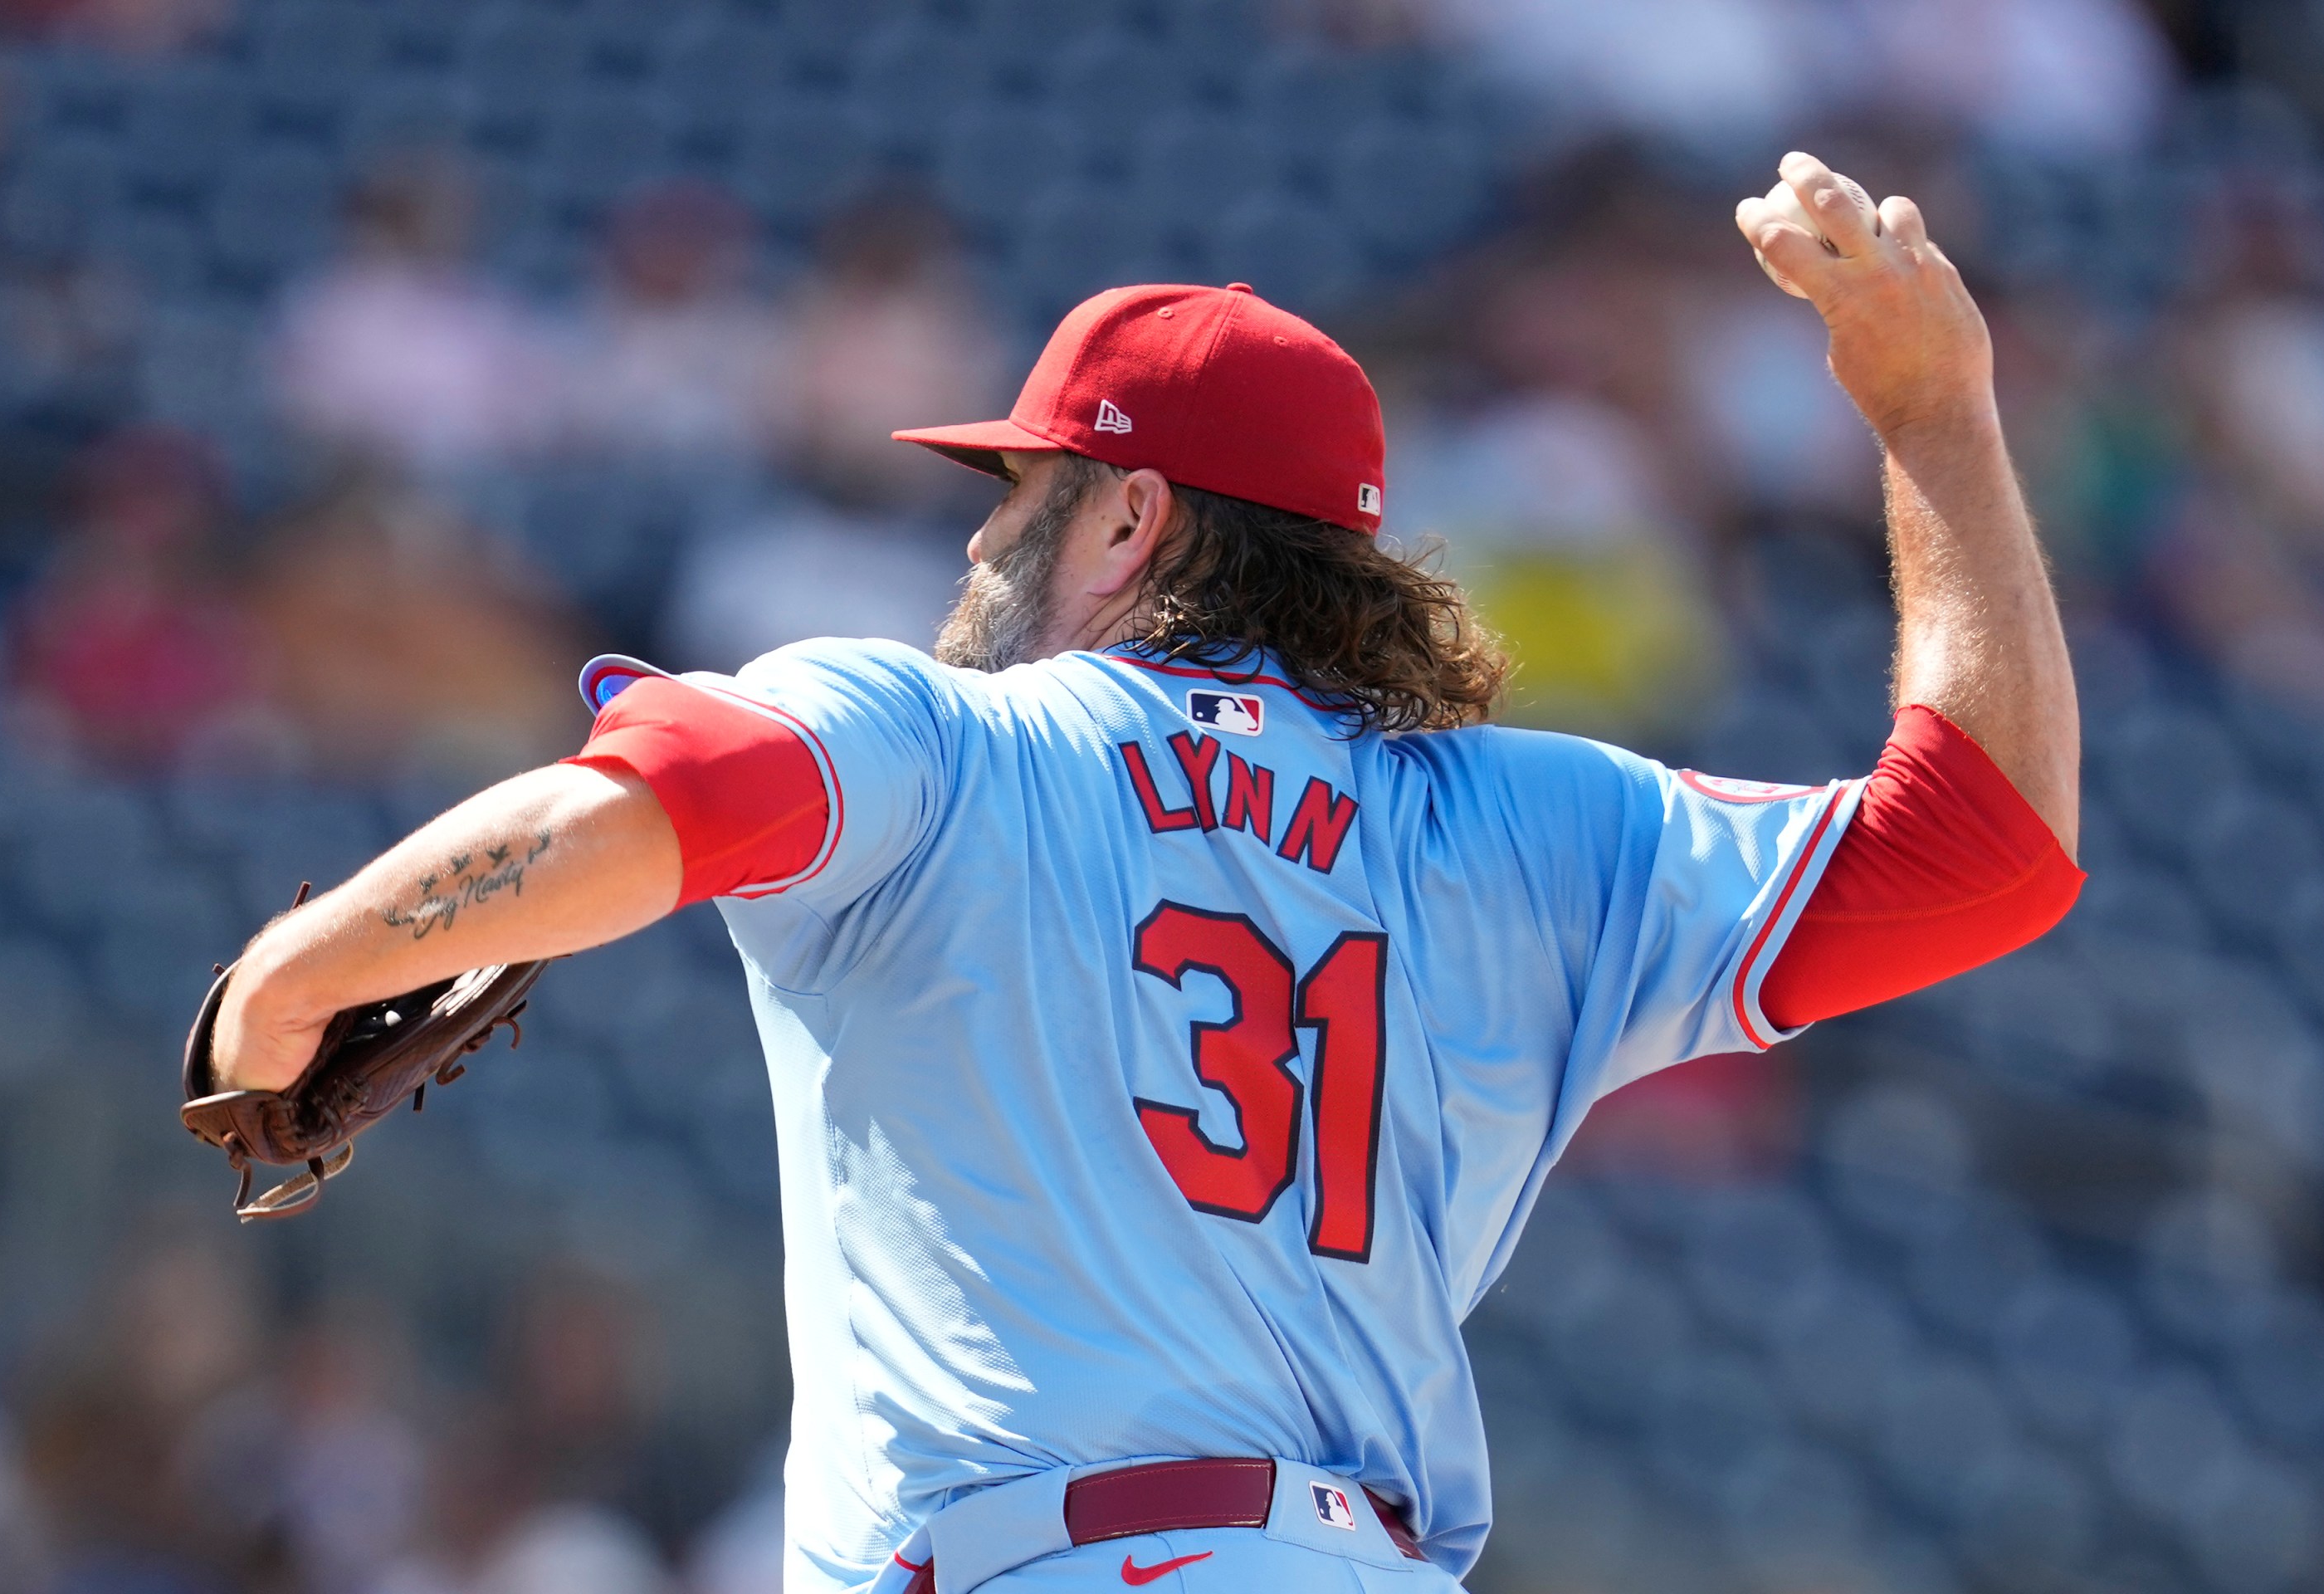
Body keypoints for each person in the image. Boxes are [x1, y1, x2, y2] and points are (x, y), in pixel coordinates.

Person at [204, 155, 2083, 1593]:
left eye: (1016, 495)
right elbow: (1984, 854)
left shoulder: (943, 736)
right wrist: (1937, 422)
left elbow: (644, 804)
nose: (985, 545)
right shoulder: (1540, 820)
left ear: (1127, 513)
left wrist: (289, 978)